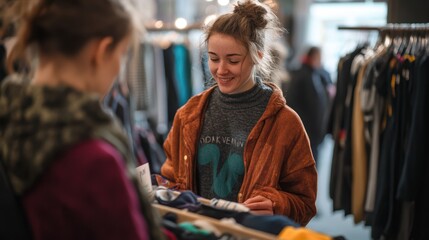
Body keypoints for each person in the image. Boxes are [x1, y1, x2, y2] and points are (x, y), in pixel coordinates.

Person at [0, 0, 164, 239]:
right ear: (101, 52)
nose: (119, 67)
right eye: (121, 54)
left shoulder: (10, 118)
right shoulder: (94, 159)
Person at [160, 0, 317, 226]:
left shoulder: (286, 123)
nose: (221, 70)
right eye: (213, 58)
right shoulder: (188, 115)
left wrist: (277, 204)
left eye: (233, 60)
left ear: (258, 55)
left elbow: (305, 203)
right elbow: (170, 178)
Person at [286, 46, 335, 164]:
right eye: (319, 58)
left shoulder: (311, 74)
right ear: (313, 57)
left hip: (307, 134)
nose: (320, 61)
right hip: (307, 134)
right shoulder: (306, 76)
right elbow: (311, 107)